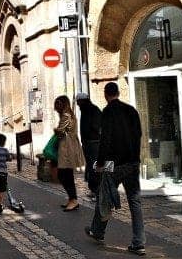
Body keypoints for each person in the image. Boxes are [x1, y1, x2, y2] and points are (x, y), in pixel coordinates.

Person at [85, 82, 145, 256]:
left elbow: (106, 140)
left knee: (104, 196)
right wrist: (135, 157)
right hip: (132, 162)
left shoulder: (108, 112)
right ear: (118, 93)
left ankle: (98, 231)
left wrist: (101, 162)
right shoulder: (131, 111)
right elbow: (138, 135)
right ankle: (138, 242)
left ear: (106, 94)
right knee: (135, 201)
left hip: (114, 164)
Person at [53, 95, 85, 212]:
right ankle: (72, 199)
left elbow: (60, 131)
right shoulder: (69, 115)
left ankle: (73, 200)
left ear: (63, 104)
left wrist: (56, 130)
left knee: (64, 174)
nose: (56, 108)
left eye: (58, 105)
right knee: (67, 174)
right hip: (68, 146)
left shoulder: (66, 116)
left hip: (67, 148)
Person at [76, 92, 102, 199]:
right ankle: (93, 189)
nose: (77, 104)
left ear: (83, 101)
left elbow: (97, 126)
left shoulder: (93, 110)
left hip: (94, 144)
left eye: (78, 102)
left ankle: (98, 192)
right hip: (88, 144)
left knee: (95, 168)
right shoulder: (85, 110)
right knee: (90, 167)